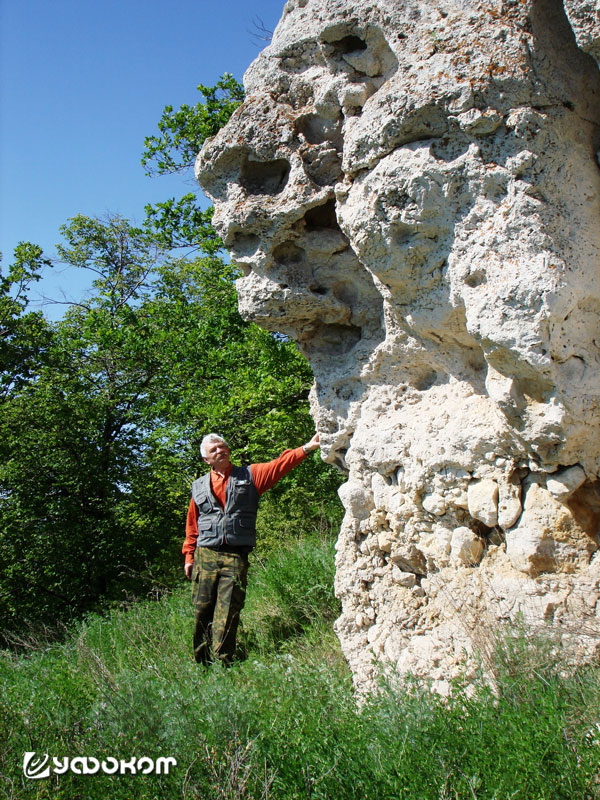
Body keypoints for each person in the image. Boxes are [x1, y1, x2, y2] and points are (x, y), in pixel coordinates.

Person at [182, 431, 320, 664]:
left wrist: (307, 448)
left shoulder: (250, 475)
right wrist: (188, 556)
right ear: (206, 459)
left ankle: (223, 664)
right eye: (213, 450)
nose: (220, 451)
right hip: (205, 555)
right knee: (201, 612)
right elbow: (192, 525)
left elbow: (280, 465)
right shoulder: (198, 487)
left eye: (222, 447)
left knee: (228, 613)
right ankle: (202, 665)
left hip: (235, 556)